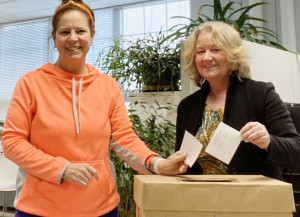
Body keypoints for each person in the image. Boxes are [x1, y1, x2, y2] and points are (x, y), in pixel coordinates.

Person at [1, 1, 188, 217]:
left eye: (80, 31)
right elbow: (12, 142)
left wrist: (157, 164)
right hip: (40, 209)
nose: (73, 38)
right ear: (54, 38)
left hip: (100, 208)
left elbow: (124, 139)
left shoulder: (108, 86)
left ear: (91, 36)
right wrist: (61, 169)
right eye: (64, 32)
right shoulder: (31, 83)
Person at [175, 21, 300, 179]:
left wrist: (268, 142)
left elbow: (296, 150)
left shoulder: (261, 94)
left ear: (232, 54)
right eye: (200, 51)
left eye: (215, 50)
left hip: (251, 199)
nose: (206, 57)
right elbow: (180, 162)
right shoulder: (187, 106)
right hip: (200, 199)